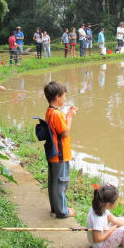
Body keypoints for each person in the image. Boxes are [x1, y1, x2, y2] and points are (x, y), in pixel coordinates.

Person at [44, 81, 77, 218]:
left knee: (54, 182)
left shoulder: (50, 112)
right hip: (60, 155)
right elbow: (64, 133)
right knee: (61, 183)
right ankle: (62, 211)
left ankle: (56, 208)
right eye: (64, 96)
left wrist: (66, 115)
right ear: (57, 97)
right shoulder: (56, 114)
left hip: (53, 154)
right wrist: (69, 117)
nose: (65, 99)